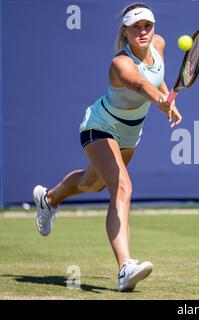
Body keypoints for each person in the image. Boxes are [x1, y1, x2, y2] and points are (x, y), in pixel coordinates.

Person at [32, 2, 181, 292]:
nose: (143, 31)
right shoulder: (120, 63)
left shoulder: (159, 44)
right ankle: (125, 267)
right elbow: (140, 85)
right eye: (135, 27)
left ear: (154, 28)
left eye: (147, 25)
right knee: (122, 187)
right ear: (124, 31)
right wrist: (160, 100)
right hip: (99, 126)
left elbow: (157, 79)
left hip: (130, 134)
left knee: (92, 183)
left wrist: (168, 98)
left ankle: (48, 200)